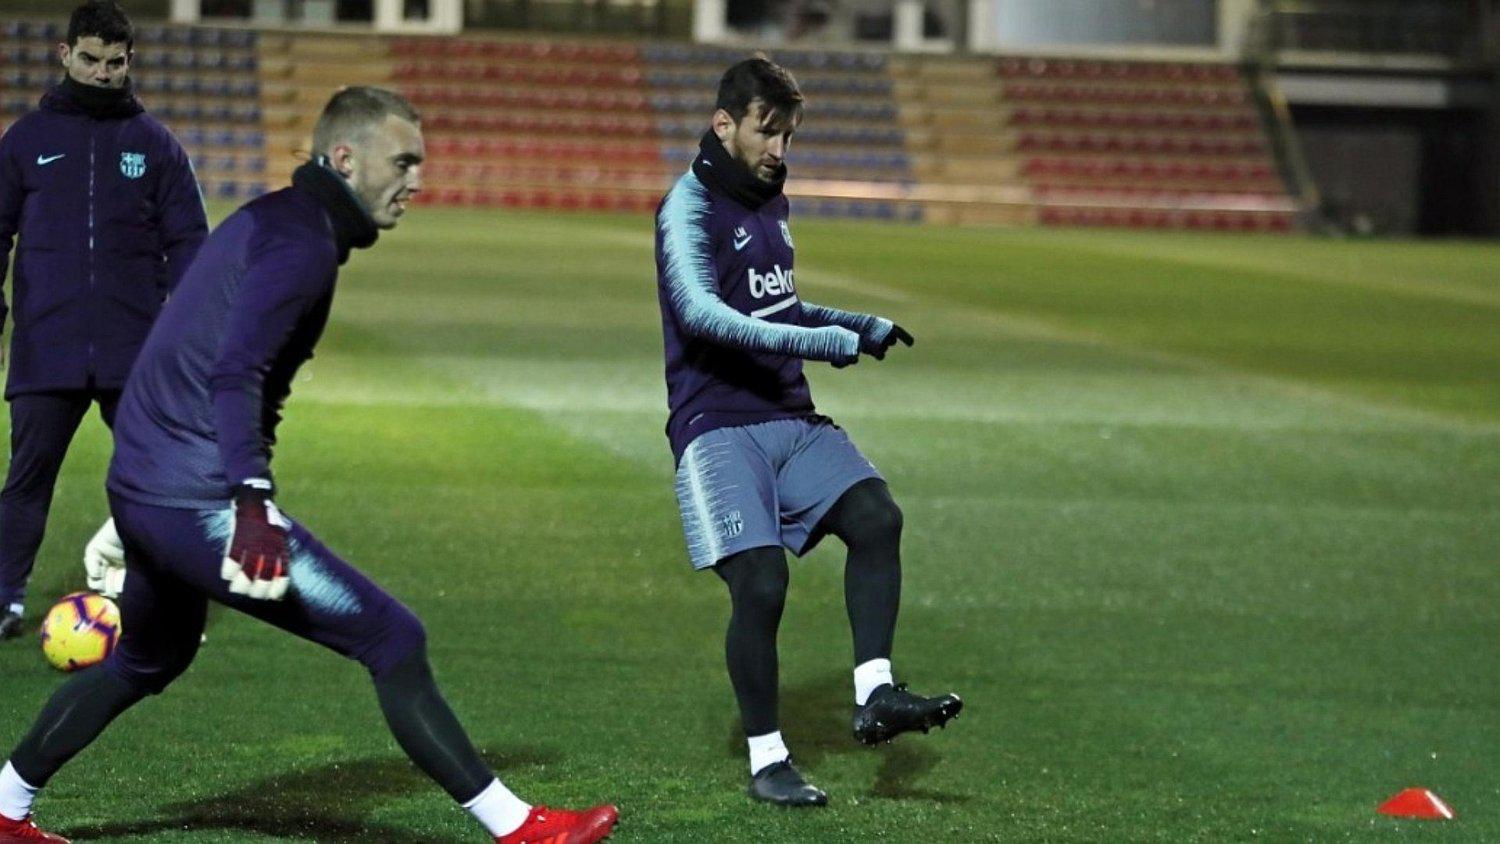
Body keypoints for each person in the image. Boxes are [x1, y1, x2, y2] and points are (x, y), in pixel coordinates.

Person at [0, 87, 618, 844]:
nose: (416, 180)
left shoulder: (273, 218)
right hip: (201, 502)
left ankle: (3, 805)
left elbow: (194, 353)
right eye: (403, 161)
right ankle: (519, 827)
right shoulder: (302, 246)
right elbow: (236, 374)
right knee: (393, 638)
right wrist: (251, 504)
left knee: (142, 661)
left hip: (149, 489)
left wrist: (147, 488)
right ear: (345, 158)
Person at [652, 56, 963, 807]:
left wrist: (857, 324)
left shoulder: (769, 202)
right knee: (761, 584)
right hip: (716, 424)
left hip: (787, 412)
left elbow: (778, 308)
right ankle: (767, 760)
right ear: (724, 125)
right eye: (767, 132)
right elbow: (702, 315)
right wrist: (826, 345)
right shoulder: (687, 208)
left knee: (876, 516)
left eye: (788, 135)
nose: (779, 151)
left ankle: (875, 693)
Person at [0, 0, 209, 640]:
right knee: (27, 483)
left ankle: (170, 602)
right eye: (90, 59)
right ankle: (4, 598)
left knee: (157, 484)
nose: (102, 72)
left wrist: (186, 328)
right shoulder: (27, 141)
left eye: (114, 62)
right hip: (46, 346)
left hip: (135, 353)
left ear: (129, 62)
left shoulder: (156, 145)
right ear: (66, 55)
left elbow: (191, 244)